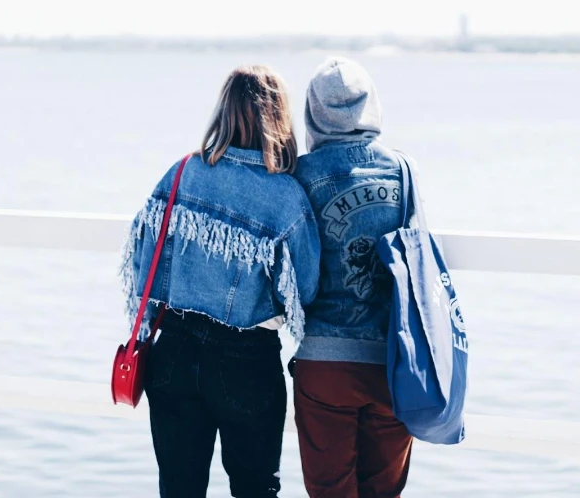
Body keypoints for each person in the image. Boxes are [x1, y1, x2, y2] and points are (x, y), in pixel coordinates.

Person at [120, 65, 321, 498]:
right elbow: (304, 294)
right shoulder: (286, 199)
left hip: (171, 351)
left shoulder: (180, 174)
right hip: (246, 359)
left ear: (223, 113)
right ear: (279, 120)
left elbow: (141, 263)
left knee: (178, 488)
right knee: (254, 490)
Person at [292, 57, 414, 498]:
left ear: (312, 113)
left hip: (324, 363)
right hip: (393, 364)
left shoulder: (300, 175)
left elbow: (294, 272)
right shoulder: (403, 172)